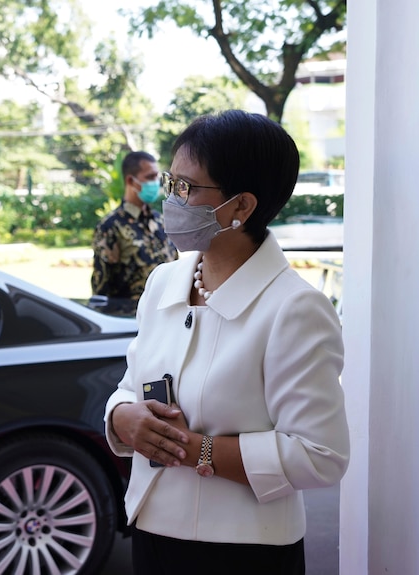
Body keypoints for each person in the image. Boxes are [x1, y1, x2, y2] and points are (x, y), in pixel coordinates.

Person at [104, 110, 349, 574]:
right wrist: (122, 419)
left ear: (241, 207)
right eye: (171, 182)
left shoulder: (295, 309)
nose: (172, 199)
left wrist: (197, 450)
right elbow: (130, 385)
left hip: (242, 553)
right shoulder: (164, 282)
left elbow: (321, 454)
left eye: (187, 188)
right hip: (152, 533)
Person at [91, 150, 177, 316]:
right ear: (131, 180)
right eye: (150, 177)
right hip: (130, 320)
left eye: (156, 177)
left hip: (168, 316)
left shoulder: (161, 222)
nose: (155, 183)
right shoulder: (110, 226)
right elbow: (101, 290)